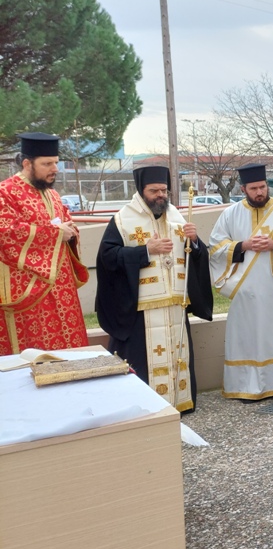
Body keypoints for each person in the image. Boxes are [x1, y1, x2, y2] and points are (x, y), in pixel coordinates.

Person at [96, 166, 214, 412]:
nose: (160, 195)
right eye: (154, 191)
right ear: (141, 190)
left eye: (163, 190)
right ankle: (145, 409)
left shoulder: (176, 217)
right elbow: (107, 258)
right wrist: (146, 251)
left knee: (177, 355)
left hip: (174, 304)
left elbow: (196, 257)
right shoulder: (123, 219)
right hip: (141, 309)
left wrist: (195, 242)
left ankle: (179, 403)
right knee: (145, 359)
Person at [209, 164, 273, 401]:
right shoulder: (230, 214)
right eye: (253, 188)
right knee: (247, 337)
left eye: (262, 187)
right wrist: (243, 246)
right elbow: (215, 248)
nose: (259, 192)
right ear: (243, 188)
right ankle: (245, 387)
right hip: (247, 292)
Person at [0, 132, 88, 355]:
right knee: (37, 354)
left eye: (56, 163)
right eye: (47, 164)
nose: (54, 169)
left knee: (70, 354)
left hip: (62, 288)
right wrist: (55, 233)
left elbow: (66, 226)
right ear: (27, 163)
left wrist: (70, 232)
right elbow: (6, 234)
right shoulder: (5, 193)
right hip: (30, 292)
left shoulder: (53, 195)